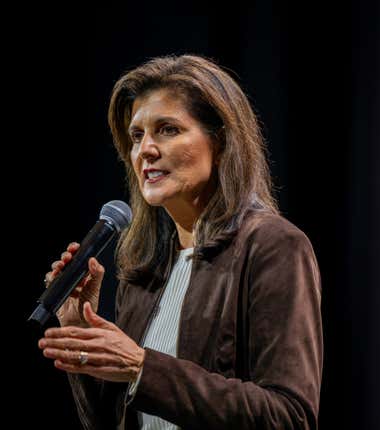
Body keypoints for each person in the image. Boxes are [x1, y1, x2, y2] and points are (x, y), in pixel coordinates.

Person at [37, 54, 323, 429]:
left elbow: (289, 416)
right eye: (137, 135)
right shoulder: (144, 264)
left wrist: (142, 367)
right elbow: (111, 421)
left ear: (220, 142)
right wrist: (85, 335)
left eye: (168, 129)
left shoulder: (273, 246)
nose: (145, 151)